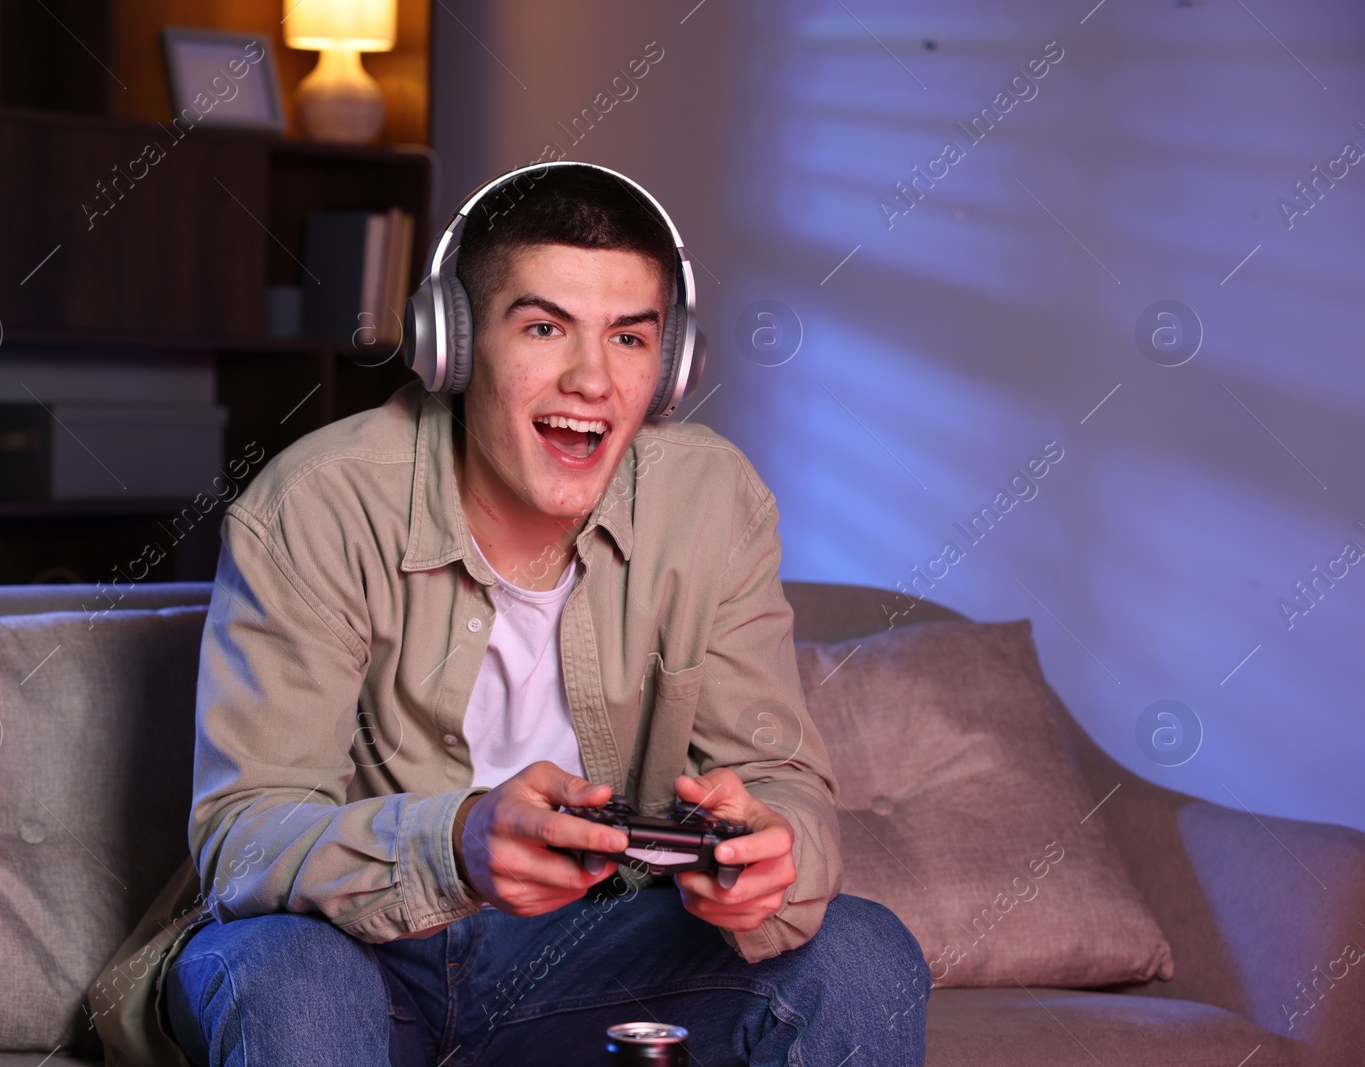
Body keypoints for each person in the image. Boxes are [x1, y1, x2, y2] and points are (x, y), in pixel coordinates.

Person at [125, 162, 926, 1066]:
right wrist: (457, 845)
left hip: (589, 954)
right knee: (293, 980)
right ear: (451, 347)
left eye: (629, 338)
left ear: (669, 367)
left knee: (865, 952)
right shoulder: (313, 505)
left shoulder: (714, 501)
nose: (591, 378)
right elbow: (244, 836)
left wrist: (773, 857)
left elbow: (778, 777)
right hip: (350, 953)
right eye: (546, 327)